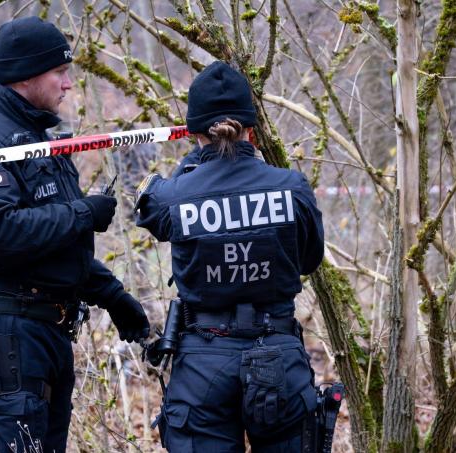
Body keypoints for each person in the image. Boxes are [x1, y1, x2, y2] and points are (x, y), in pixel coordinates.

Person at [0, 16, 150, 453]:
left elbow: (55, 249)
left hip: (49, 336)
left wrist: (112, 296)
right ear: (27, 76)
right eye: (60, 72)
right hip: (10, 343)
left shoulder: (38, 138)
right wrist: (81, 212)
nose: (69, 84)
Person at [136, 61, 325, 452]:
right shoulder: (292, 187)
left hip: (204, 358)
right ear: (252, 131)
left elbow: (151, 208)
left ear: (194, 133)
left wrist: (195, 165)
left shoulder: (175, 194)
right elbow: (309, 260)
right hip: (278, 351)